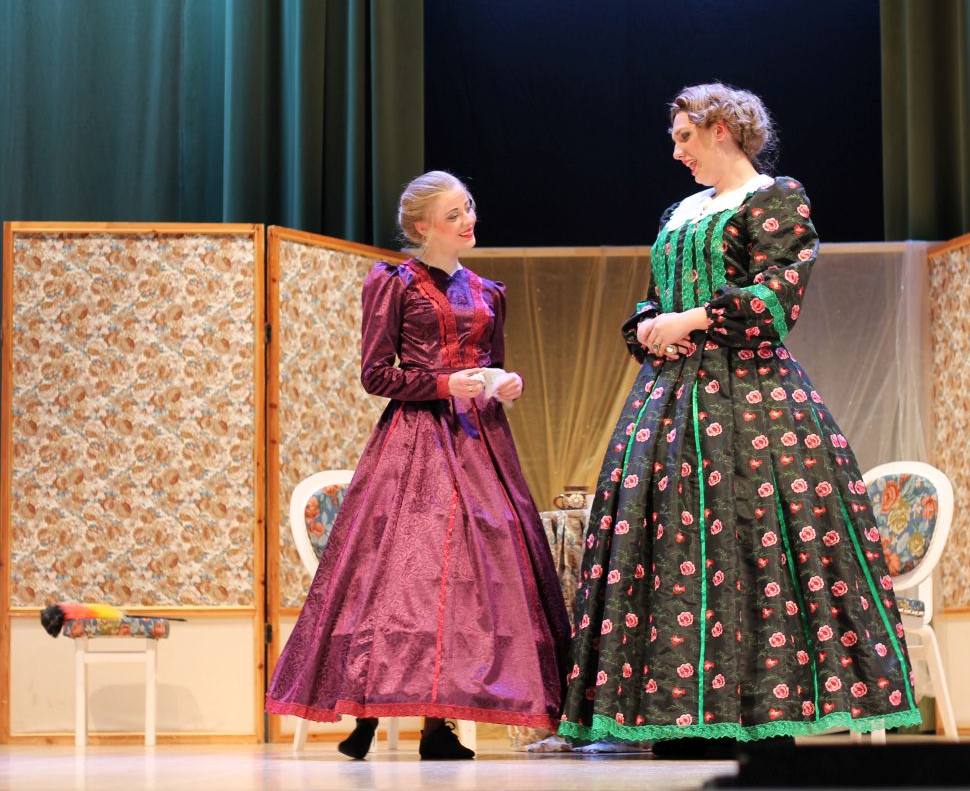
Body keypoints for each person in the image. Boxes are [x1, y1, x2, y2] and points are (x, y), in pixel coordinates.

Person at [557, 84, 921, 752]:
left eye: (685, 137)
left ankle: (757, 716)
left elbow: (777, 296)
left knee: (753, 546)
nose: (677, 152)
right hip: (669, 401)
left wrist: (692, 320)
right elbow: (654, 297)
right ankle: (672, 715)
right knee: (667, 549)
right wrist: (651, 326)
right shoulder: (680, 212)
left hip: (752, 403)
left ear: (721, 128)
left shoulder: (774, 198)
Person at [266, 170, 570, 760]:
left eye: (468, 207)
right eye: (454, 215)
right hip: (417, 441)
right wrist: (442, 384)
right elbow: (376, 374)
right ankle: (368, 706)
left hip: (481, 443)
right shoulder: (395, 283)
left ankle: (438, 726)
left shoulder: (488, 292)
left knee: (477, 576)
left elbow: (490, 363)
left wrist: (504, 383)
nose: (468, 220)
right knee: (408, 575)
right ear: (423, 227)